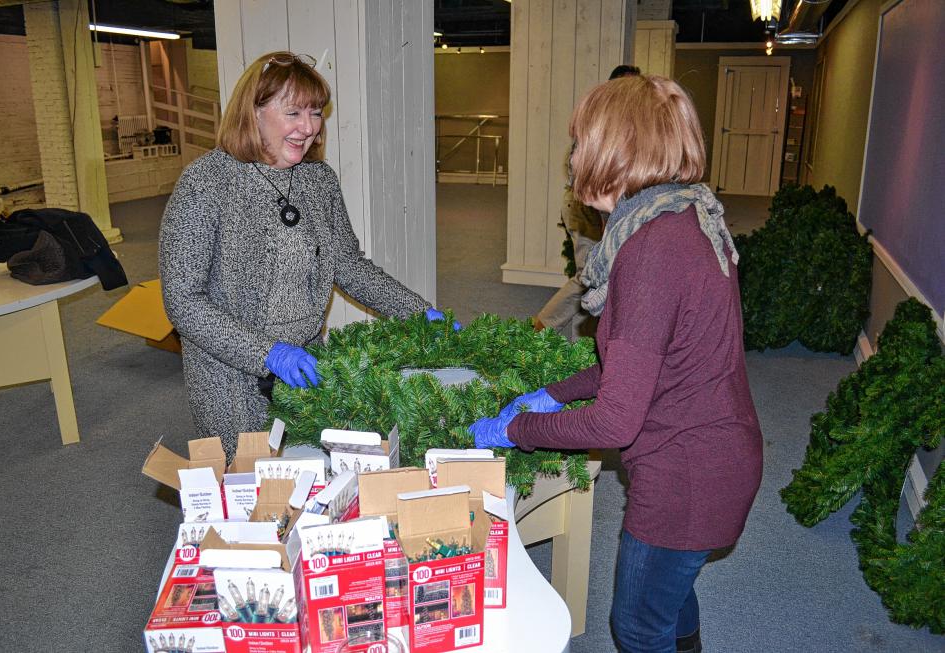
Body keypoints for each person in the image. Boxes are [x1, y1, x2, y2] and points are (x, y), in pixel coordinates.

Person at [470, 75, 763, 653]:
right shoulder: (683, 219)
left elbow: (615, 422)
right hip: (718, 455)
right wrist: (557, 392)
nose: (574, 157)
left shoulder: (649, 250)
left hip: (687, 476)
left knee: (637, 625)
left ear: (615, 150)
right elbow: (646, 359)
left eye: (580, 143)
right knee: (672, 597)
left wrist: (518, 428)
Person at [160, 51, 456, 462]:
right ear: (254, 112)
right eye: (293, 111)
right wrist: (267, 353)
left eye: (315, 112)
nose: (309, 127)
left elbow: (349, 266)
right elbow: (183, 301)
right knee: (250, 490)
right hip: (230, 376)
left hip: (307, 363)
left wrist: (417, 311)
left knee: (308, 477)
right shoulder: (206, 182)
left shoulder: (319, 181)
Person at [534, 64, 641, 340]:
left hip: (604, 209)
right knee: (588, 276)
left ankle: (584, 339)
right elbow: (588, 185)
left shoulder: (628, 129)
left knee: (602, 275)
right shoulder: (598, 127)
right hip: (586, 208)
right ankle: (542, 326)